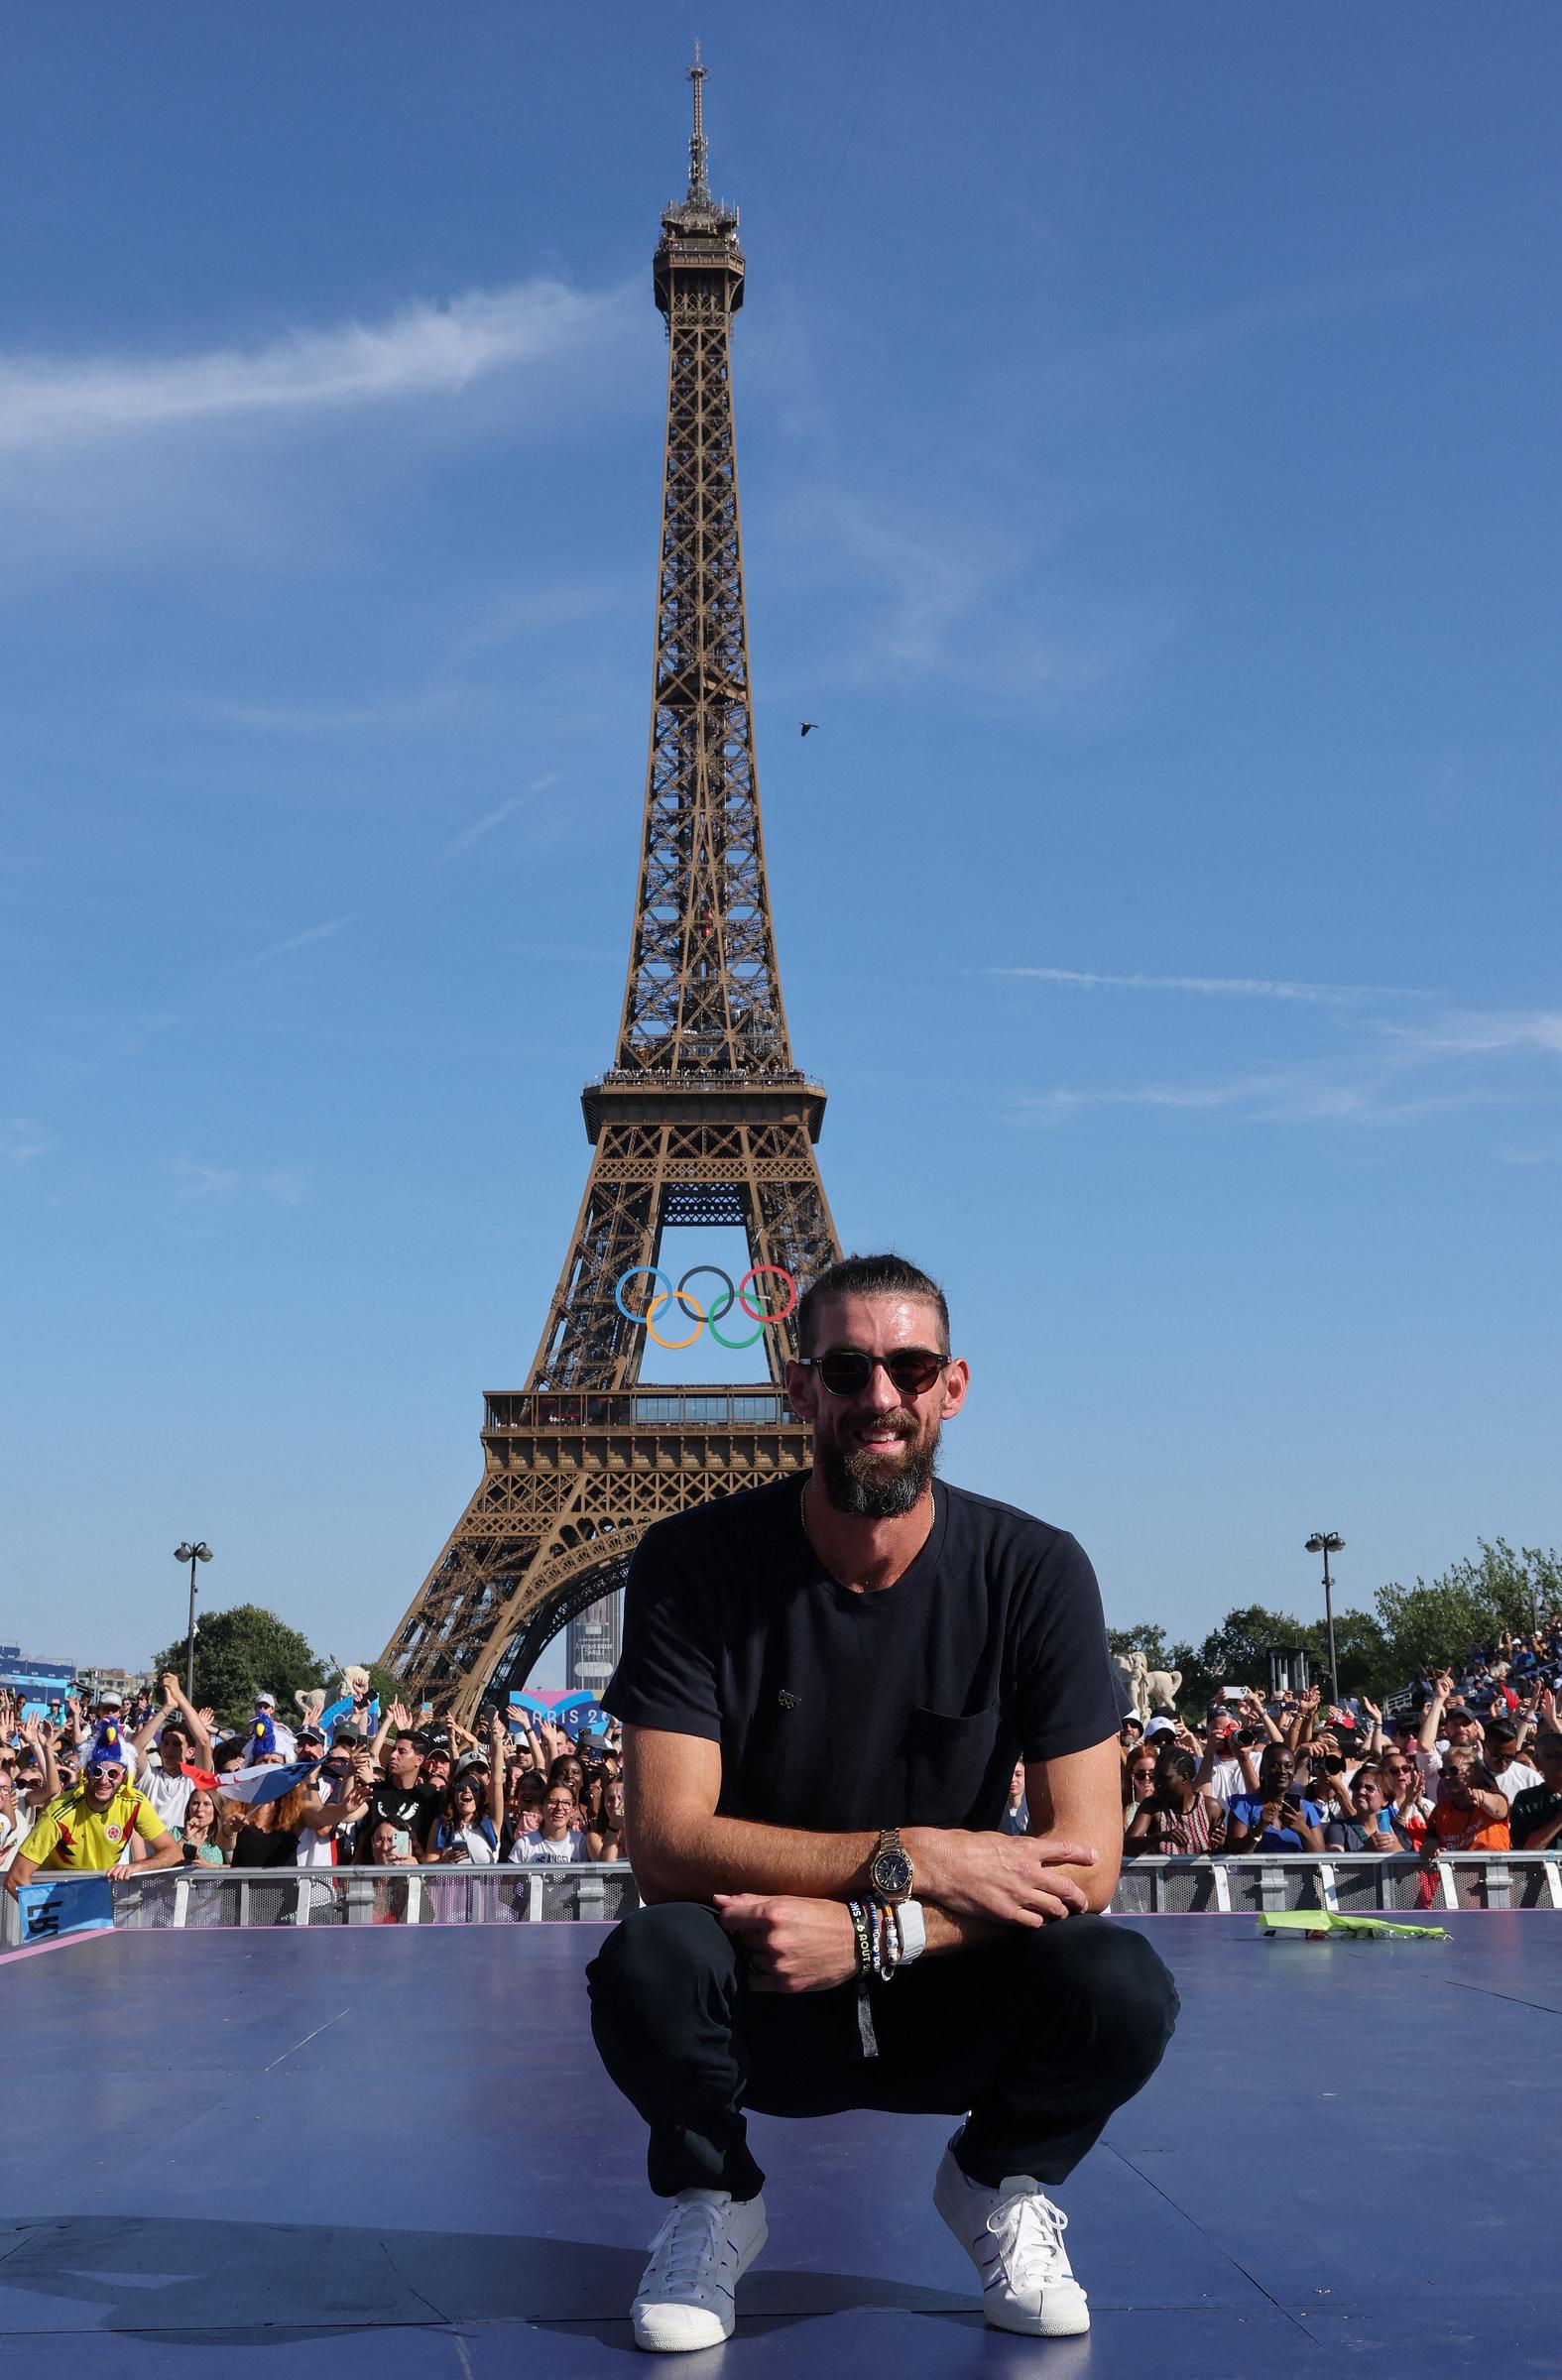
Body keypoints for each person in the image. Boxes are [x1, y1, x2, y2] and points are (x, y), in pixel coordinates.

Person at [587, 1252, 1177, 2352]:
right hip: (764, 1974)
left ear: (952, 1386)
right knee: (650, 1960)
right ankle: (716, 2198)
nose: (881, 1398)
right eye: (849, 1369)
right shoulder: (691, 1562)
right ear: (799, 1386)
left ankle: (999, 2175)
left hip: (945, 1983)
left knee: (1122, 1983)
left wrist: (875, 1928)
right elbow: (667, 1847)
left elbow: (1088, 1861)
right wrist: (914, 1854)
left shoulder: (1038, 1569)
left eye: (908, 1368)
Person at [5, 1720, 181, 1896]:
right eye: (97, 1771)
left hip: (99, 1902)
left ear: (124, 1777)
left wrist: (138, 1866)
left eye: (113, 1774)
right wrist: (50, 1918)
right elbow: (15, 1879)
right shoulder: (60, 1812)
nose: (104, 1781)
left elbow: (174, 1853)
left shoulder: (134, 1803)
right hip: (57, 1900)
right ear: (86, 1773)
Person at [1123, 1746, 1227, 1856]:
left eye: (1164, 1778)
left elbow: (1222, 1854)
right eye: (1156, 1777)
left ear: (1184, 1778)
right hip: (1162, 1874)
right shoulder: (1152, 1806)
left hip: (1205, 1874)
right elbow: (1128, 1846)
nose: (1157, 1783)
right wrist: (1160, 1836)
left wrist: (1219, 1846)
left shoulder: (1210, 1807)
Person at [1223, 1744, 1325, 1853]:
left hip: (1296, 1871)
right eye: (1275, 1765)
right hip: (1255, 1871)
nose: (1282, 1771)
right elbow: (1234, 1856)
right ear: (1263, 1771)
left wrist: (1303, 1829)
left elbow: (1322, 1860)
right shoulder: (1243, 1805)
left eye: (1289, 1766)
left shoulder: (1307, 1809)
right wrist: (1259, 1828)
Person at [1508, 1730, 1562, 1851]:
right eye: (1555, 1756)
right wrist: (1559, 1820)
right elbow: (1526, 1851)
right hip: (1543, 1869)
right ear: (1537, 1762)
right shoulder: (1527, 1799)